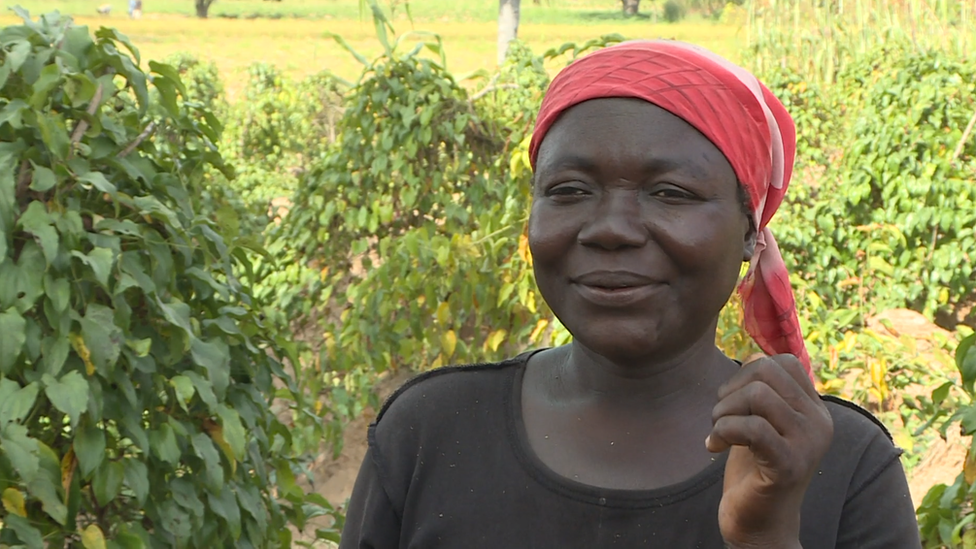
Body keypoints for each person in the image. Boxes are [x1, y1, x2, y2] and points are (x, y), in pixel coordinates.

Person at [339, 40, 921, 548]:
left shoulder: (840, 463)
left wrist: (765, 537)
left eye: (670, 193)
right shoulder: (431, 433)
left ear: (750, 231)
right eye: (568, 189)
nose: (611, 228)